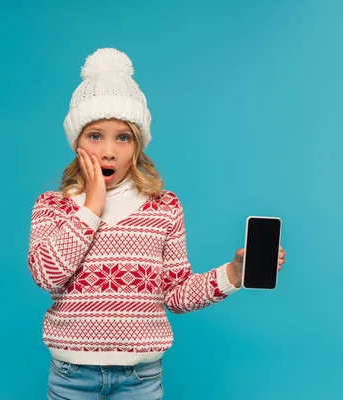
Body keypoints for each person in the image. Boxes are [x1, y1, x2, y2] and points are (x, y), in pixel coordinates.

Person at [27, 48, 286, 400]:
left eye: (123, 137)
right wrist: (91, 206)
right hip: (71, 376)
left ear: (137, 145)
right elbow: (46, 275)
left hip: (141, 379)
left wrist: (234, 274)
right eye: (95, 135)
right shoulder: (52, 206)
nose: (108, 152)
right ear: (76, 142)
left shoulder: (163, 207)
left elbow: (176, 295)